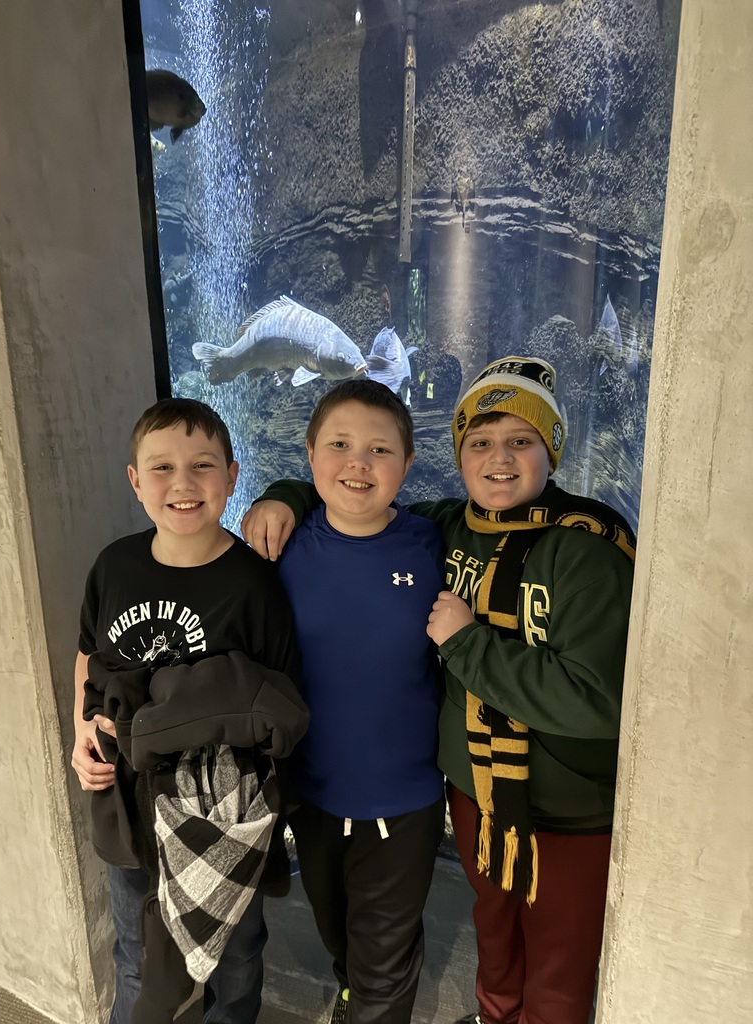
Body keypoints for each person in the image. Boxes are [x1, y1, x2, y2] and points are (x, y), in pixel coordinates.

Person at [241, 357, 636, 1024]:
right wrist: (283, 495)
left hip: (563, 809)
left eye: (521, 440)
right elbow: (352, 493)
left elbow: (603, 702)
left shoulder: (588, 550)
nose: (498, 458)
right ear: (457, 456)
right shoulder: (447, 527)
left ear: (553, 448)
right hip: (471, 791)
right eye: (480, 442)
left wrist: (467, 643)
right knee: (495, 939)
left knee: (558, 965)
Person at [71, 397, 308, 1024]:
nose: (183, 483)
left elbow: (282, 703)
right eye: (162, 467)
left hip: (221, 807)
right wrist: (80, 731)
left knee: (236, 954)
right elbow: (88, 653)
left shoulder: (255, 583)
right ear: (134, 480)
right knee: (137, 954)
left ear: (232, 475)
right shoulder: (114, 566)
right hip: (126, 795)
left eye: (202, 465)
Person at [261, 379, 446, 1024]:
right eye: (339, 445)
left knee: (384, 961)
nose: (358, 463)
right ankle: (351, 990)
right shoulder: (279, 550)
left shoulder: (435, 542)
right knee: (337, 932)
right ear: (310, 455)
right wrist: (281, 495)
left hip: (407, 798)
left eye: (380, 449)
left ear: (408, 463)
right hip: (313, 794)